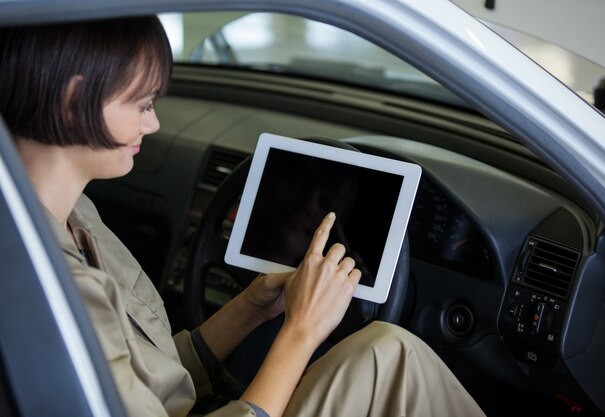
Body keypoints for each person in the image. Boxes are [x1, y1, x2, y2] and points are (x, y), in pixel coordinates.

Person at [0, 16, 487, 417]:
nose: (154, 123)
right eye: (142, 104)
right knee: (392, 355)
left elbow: (151, 382)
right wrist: (302, 329)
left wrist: (253, 307)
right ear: (72, 100)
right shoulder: (50, 283)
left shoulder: (74, 215)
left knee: (387, 350)